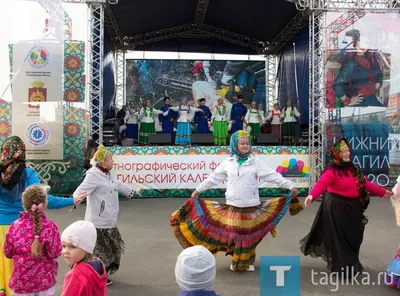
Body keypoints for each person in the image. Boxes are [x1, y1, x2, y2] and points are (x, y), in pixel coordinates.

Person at [170, 130, 302, 272]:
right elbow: (213, 178)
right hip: (233, 206)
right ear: (235, 144)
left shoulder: (255, 162)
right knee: (236, 235)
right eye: (242, 143)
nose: (245, 146)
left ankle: (247, 261)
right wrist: (198, 190)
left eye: (247, 143)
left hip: (251, 206)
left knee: (249, 237)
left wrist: (290, 186)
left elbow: (273, 176)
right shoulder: (228, 162)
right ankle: (237, 259)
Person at [0, 136, 84, 296]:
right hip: (24, 229)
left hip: (4, 232)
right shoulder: (27, 173)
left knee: (3, 271)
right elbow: (44, 199)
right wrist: (71, 200)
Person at [299, 138, 392, 278]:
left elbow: (364, 182)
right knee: (340, 238)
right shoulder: (332, 170)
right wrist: (312, 195)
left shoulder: (353, 168)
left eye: (348, 150)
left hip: (353, 207)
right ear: (337, 154)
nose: (347, 153)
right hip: (336, 207)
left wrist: (383, 192)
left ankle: (349, 262)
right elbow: (322, 183)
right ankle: (342, 267)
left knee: (354, 236)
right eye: (344, 151)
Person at [72, 144, 141, 285]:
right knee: (101, 253)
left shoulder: (107, 175)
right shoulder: (93, 175)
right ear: (103, 161)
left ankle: (92, 272)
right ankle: (95, 276)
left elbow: (119, 185)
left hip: (109, 220)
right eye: (111, 159)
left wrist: (133, 192)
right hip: (98, 222)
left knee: (113, 251)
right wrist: (75, 200)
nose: (113, 161)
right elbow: (81, 190)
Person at [3, 185, 62, 296]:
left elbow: (7, 252)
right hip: (44, 283)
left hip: (21, 282)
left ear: (24, 203)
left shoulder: (14, 226)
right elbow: (55, 252)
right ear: (44, 204)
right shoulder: (50, 227)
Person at [61, 220, 107, 296]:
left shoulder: (75, 276)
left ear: (87, 249)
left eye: (72, 247)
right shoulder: (98, 263)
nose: (65, 251)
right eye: (64, 246)